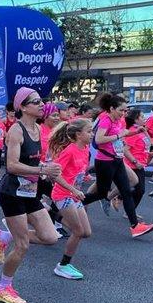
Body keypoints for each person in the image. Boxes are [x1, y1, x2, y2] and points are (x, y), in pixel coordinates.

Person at [0, 87, 61, 303]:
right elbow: (10, 166)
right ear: (23, 106)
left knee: (50, 237)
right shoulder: (16, 131)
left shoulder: (38, 128)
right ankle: (3, 288)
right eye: (36, 101)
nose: (41, 104)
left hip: (30, 192)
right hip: (12, 193)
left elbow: (34, 162)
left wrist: (46, 168)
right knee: (23, 246)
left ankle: (4, 236)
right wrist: (42, 171)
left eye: (41, 101)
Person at [82, 93, 153, 238]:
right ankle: (68, 204)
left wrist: (135, 131)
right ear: (112, 108)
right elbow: (99, 139)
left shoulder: (117, 120)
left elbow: (121, 135)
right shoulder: (106, 120)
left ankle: (135, 227)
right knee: (101, 193)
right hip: (105, 162)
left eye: (125, 110)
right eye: (121, 110)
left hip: (117, 160)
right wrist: (119, 135)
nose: (124, 113)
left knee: (126, 191)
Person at [48, 119, 93, 279]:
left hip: (74, 195)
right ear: (78, 134)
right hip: (62, 194)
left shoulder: (86, 148)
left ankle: (51, 215)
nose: (92, 134)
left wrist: (85, 176)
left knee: (86, 232)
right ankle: (63, 265)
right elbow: (55, 174)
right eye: (89, 131)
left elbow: (78, 170)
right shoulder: (69, 150)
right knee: (78, 231)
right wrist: (73, 188)